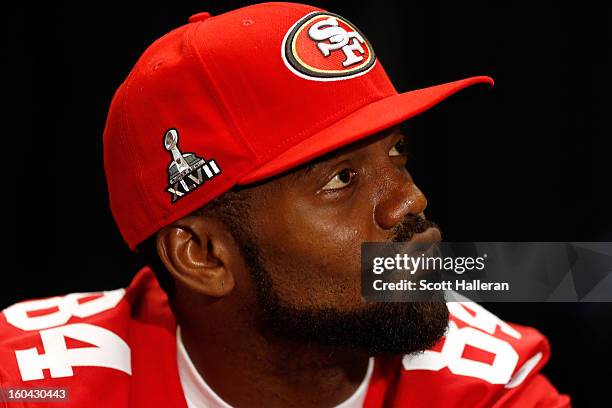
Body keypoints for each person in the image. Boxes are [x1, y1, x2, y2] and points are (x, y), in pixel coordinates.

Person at [0, 3, 570, 407]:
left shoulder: (483, 386)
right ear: (202, 255)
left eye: (396, 152)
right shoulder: (29, 385)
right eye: (340, 179)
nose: (410, 199)